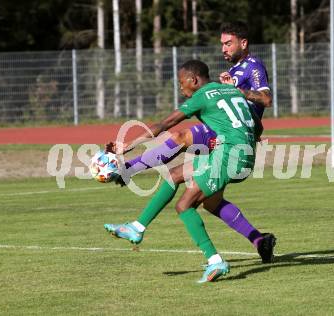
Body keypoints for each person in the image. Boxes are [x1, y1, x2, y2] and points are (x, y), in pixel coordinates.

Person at [111, 21, 276, 263]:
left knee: (178, 138)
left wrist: (241, 93)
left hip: (231, 135)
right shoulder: (232, 73)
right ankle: (259, 240)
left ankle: (129, 171)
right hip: (231, 134)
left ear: (243, 43)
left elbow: (267, 99)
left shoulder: (253, 66)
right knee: (211, 202)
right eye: (222, 44)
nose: (224, 48)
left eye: (228, 43)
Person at [105, 60, 263, 282]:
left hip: (229, 157)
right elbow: (258, 126)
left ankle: (215, 260)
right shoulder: (231, 89)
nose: (181, 88)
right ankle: (137, 227)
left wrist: (126, 146)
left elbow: (164, 124)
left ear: (194, 80)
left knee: (184, 205)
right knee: (174, 174)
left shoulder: (202, 95)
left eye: (182, 83)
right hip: (243, 153)